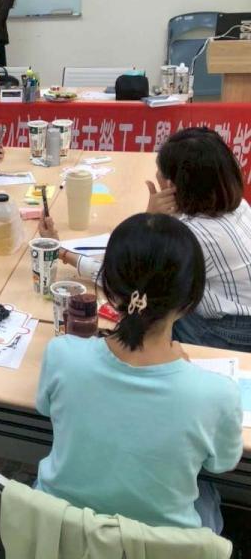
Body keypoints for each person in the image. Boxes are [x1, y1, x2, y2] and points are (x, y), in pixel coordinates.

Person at [35, 213, 243, 533]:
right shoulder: (218, 395)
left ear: (109, 290)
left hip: (60, 533)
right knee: (206, 494)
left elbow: (46, 409)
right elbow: (221, 464)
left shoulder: (62, 354)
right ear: (191, 299)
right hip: (158, 546)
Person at [40, 128, 251, 350]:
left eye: (160, 171)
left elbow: (126, 275)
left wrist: (150, 222)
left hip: (228, 332)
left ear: (172, 185)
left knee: (142, 309)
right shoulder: (237, 206)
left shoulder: (197, 234)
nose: (156, 175)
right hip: (238, 318)